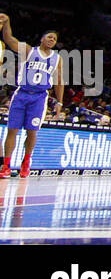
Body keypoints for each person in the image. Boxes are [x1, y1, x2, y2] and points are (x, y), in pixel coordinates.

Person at [0, 16, 63, 179]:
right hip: (21, 94)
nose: (52, 39)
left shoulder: (57, 59)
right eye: (49, 36)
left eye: (54, 38)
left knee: (32, 132)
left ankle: (26, 162)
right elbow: (8, 38)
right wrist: (7, 22)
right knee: (12, 130)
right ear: (42, 39)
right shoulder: (29, 50)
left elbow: (59, 81)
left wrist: (60, 102)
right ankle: (6, 165)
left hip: (39, 98)